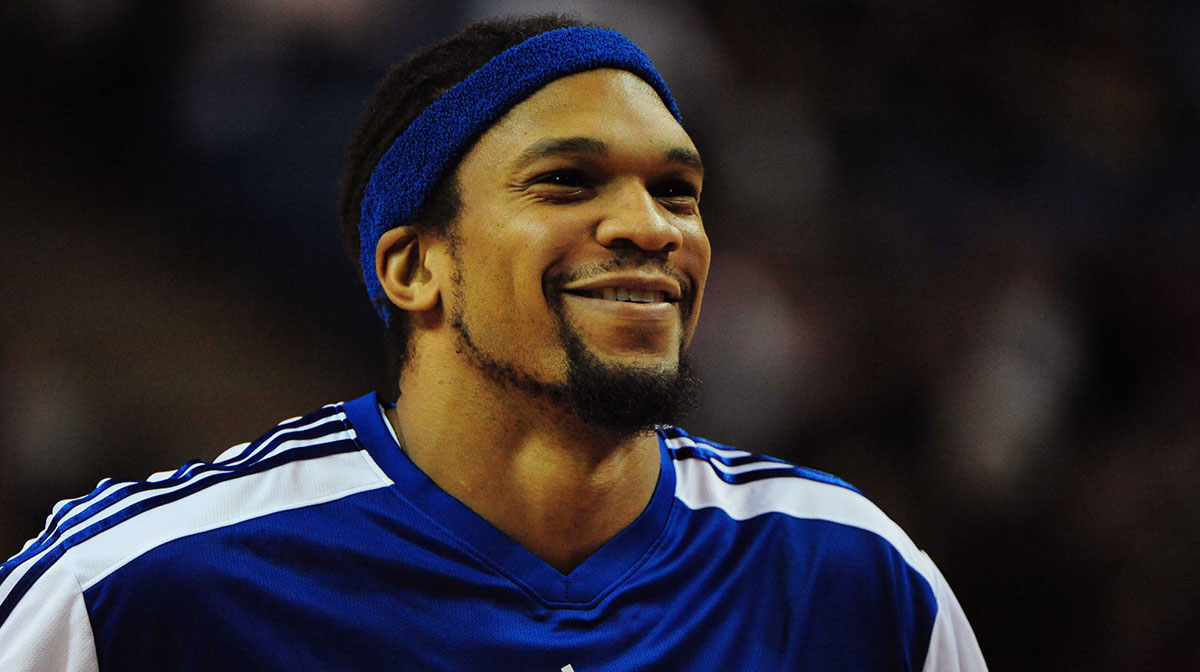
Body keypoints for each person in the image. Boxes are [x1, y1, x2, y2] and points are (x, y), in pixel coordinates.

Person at [0, 16, 986, 671]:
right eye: (567, 182)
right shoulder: (144, 587)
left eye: (677, 190)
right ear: (414, 268)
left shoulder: (849, 575)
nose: (653, 227)